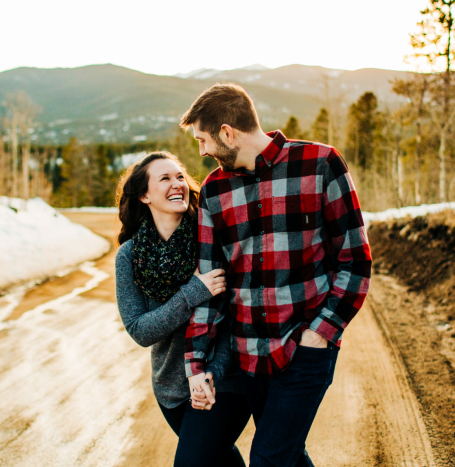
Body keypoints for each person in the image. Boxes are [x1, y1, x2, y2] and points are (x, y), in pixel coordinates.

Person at [181, 84, 373, 467]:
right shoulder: (215, 191)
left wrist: (320, 333)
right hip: (249, 355)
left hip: (305, 351)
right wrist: (196, 363)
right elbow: (210, 281)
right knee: (287, 456)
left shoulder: (320, 164)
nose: (201, 152)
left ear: (227, 132)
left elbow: (355, 259)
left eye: (203, 140)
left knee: (269, 459)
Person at [114, 151, 251, 467]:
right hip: (171, 390)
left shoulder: (213, 239)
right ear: (145, 195)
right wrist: (193, 292)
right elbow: (140, 329)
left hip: (223, 381)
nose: (177, 184)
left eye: (179, 176)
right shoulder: (130, 256)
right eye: (164, 178)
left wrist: (211, 372)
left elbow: (236, 317)